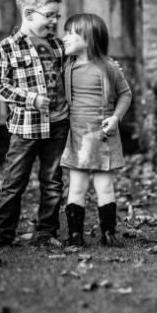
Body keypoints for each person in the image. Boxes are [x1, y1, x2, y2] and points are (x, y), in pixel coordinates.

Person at [0, 0, 69, 249]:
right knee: (14, 182)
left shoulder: (58, 46)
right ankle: (3, 234)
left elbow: (73, 74)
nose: (55, 21)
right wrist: (30, 98)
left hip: (58, 125)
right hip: (25, 128)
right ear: (28, 14)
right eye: (50, 15)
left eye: (57, 15)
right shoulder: (7, 48)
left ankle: (46, 233)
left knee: (52, 181)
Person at [60, 13, 132, 247]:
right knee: (77, 186)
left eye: (71, 33)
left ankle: (109, 233)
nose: (65, 37)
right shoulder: (66, 66)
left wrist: (115, 117)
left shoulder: (109, 67)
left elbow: (125, 94)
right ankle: (74, 235)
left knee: (105, 186)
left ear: (89, 39)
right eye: (65, 31)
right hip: (78, 136)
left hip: (103, 135)